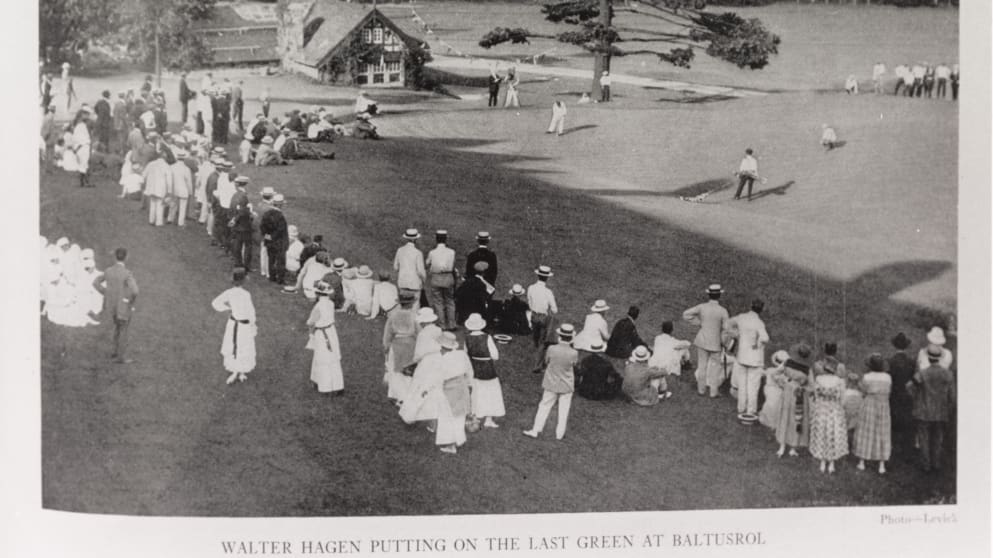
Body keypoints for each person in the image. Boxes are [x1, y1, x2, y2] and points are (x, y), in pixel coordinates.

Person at [524, 324, 578, 440]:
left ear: (560, 336)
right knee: (564, 410)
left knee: (544, 405)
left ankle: (536, 429)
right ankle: (559, 434)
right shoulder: (574, 353)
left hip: (551, 382)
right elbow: (574, 364)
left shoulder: (551, 349)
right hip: (566, 385)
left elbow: (547, 360)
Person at [908, 346, 955, 473]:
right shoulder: (948, 374)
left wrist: (916, 397)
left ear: (928, 358)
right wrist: (948, 407)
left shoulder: (922, 374)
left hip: (923, 410)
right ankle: (936, 463)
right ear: (940, 359)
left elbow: (909, 387)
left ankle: (926, 465)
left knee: (924, 437)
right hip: (941, 411)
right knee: (937, 438)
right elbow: (952, 396)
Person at [91, 248, 139, 364]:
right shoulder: (127, 273)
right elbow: (135, 291)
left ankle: (114, 351)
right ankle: (121, 357)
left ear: (115, 257)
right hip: (122, 306)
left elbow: (95, 283)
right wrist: (130, 302)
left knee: (117, 328)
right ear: (126, 257)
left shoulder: (108, 271)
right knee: (123, 329)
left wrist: (105, 292)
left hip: (110, 305)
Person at [682, 284, 729, 397]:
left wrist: (700, 323)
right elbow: (727, 329)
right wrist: (725, 342)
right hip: (716, 343)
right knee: (715, 369)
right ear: (719, 296)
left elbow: (686, 314)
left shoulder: (702, 307)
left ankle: (701, 390)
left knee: (702, 366)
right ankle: (713, 392)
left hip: (702, 340)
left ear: (709, 295)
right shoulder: (723, 311)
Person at [211, 268, 257, 385]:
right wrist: (253, 324)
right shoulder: (246, 294)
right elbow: (251, 312)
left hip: (235, 324)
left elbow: (216, 302)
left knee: (237, 346)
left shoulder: (229, 292)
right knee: (240, 346)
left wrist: (228, 309)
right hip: (242, 325)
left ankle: (239, 371)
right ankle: (237, 371)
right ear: (243, 280)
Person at [726, 299, 769, 420]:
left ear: (751, 306)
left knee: (743, 384)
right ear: (761, 310)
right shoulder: (759, 323)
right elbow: (765, 338)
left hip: (742, 357)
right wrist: (758, 344)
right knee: (753, 386)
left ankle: (741, 408)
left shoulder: (742, 317)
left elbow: (728, 323)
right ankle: (751, 411)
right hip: (755, 359)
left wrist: (736, 334)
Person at [465, 313, 505, 428]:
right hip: (487, 368)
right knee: (491, 393)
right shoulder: (487, 337)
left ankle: (476, 415)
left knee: (476, 391)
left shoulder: (467, 338)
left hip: (474, 368)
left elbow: (465, 354)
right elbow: (495, 355)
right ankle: (488, 419)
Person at [854, 354, 892, 475]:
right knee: (882, 432)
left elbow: (863, 390)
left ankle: (862, 461)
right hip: (883, 405)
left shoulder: (867, 377)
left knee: (866, 430)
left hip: (870, 404)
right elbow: (889, 391)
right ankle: (881, 464)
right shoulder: (887, 377)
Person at [307, 280, 344, 395]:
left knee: (323, 359)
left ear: (317, 294)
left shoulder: (318, 306)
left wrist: (311, 333)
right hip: (331, 331)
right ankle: (336, 385)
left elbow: (311, 322)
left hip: (321, 333)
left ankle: (326, 386)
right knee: (333, 358)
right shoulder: (330, 303)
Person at [774, 344, 812, 457]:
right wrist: (803, 387)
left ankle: (782, 447)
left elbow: (776, 374)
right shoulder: (807, 369)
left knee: (785, 417)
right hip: (800, 394)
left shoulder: (787, 363)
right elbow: (812, 386)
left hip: (788, 392)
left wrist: (783, 383)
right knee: (797, 419)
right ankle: (793, 447)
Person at [382, 292, 419, 404]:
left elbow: (388, 333)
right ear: (412, 303)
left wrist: (386, 345)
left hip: (397, 343)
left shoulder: (393, 316)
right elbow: (419, 332)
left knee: (396, 369)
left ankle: (397, 394)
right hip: (411, 343)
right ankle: (408, 393)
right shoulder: (415, 316)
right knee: (409, 368)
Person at [887, 332, 916, 450]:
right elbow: (913, 378)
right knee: (906, 417)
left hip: (894, 392)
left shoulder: (890, 361)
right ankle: (906, 444)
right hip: (906, 393)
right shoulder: (911, 361)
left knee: (894, 417)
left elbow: (889, 378)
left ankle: (894, 443)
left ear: (895, 346)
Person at [528, 265, 558, 374]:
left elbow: (530, 302)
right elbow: (554, 309)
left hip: (533, 315)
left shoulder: (531, 288)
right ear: (547, 278)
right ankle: (537, 365)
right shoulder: (548, 292)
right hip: (543, 316)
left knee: (536, 338)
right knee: (542, 342)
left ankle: (537, 356)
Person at [425, 230, 457, 330]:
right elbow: (453, 265)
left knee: (438, 301)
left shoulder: (432, 252)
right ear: (446, 239)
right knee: (449, 300)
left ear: (436, 239)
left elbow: (427, 263)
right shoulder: (451, 252)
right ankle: (452, 324)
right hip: (448, 277)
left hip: (436, 277)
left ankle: (442, 324)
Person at [393, 228, 426, 307]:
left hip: (403, 281)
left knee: (404, 305)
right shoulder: (418, 253)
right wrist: (423, 280)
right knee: (414, 305)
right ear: (415, 240)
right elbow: (420, 271)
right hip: (414, 283)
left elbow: (395, 267)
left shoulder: (400, 250)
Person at [758, 350, 789, 429]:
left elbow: (763, 373)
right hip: (778, 390)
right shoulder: (784, 374)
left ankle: (768, 420)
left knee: (771, 403)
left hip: (770, 389)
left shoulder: (771, 370)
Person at [142, 153, 171, 227]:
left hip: (151, 187)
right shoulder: (166, 166)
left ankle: (151, 220)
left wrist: (144, 183)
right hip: (161, 188)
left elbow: (144, 174)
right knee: (160, 204)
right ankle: (159, 222)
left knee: (152, 203)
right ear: (165, 158)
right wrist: (169, 191)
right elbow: (169, 180)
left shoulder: (151, 164)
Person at [167, 148, 193, 226]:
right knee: (182, 207)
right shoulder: (186, 169)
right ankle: (180, 222)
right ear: (184, 159)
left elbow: (169, 179)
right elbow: (189, 182)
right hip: (183, 189)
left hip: (174, 188)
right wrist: (190, 191)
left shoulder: (172, 167)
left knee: (173, 205)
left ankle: (170, 218)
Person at [70, 108, 93, 188]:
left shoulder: (79, 125)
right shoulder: (81, 126)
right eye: (87, 114)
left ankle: (84, 182)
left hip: (82, 147)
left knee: (83, 164)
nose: (88, 116)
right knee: (84, 164)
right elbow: (80, 139)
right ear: (82, 115)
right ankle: (84, 183)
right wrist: (77, 149)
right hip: (83, 147)